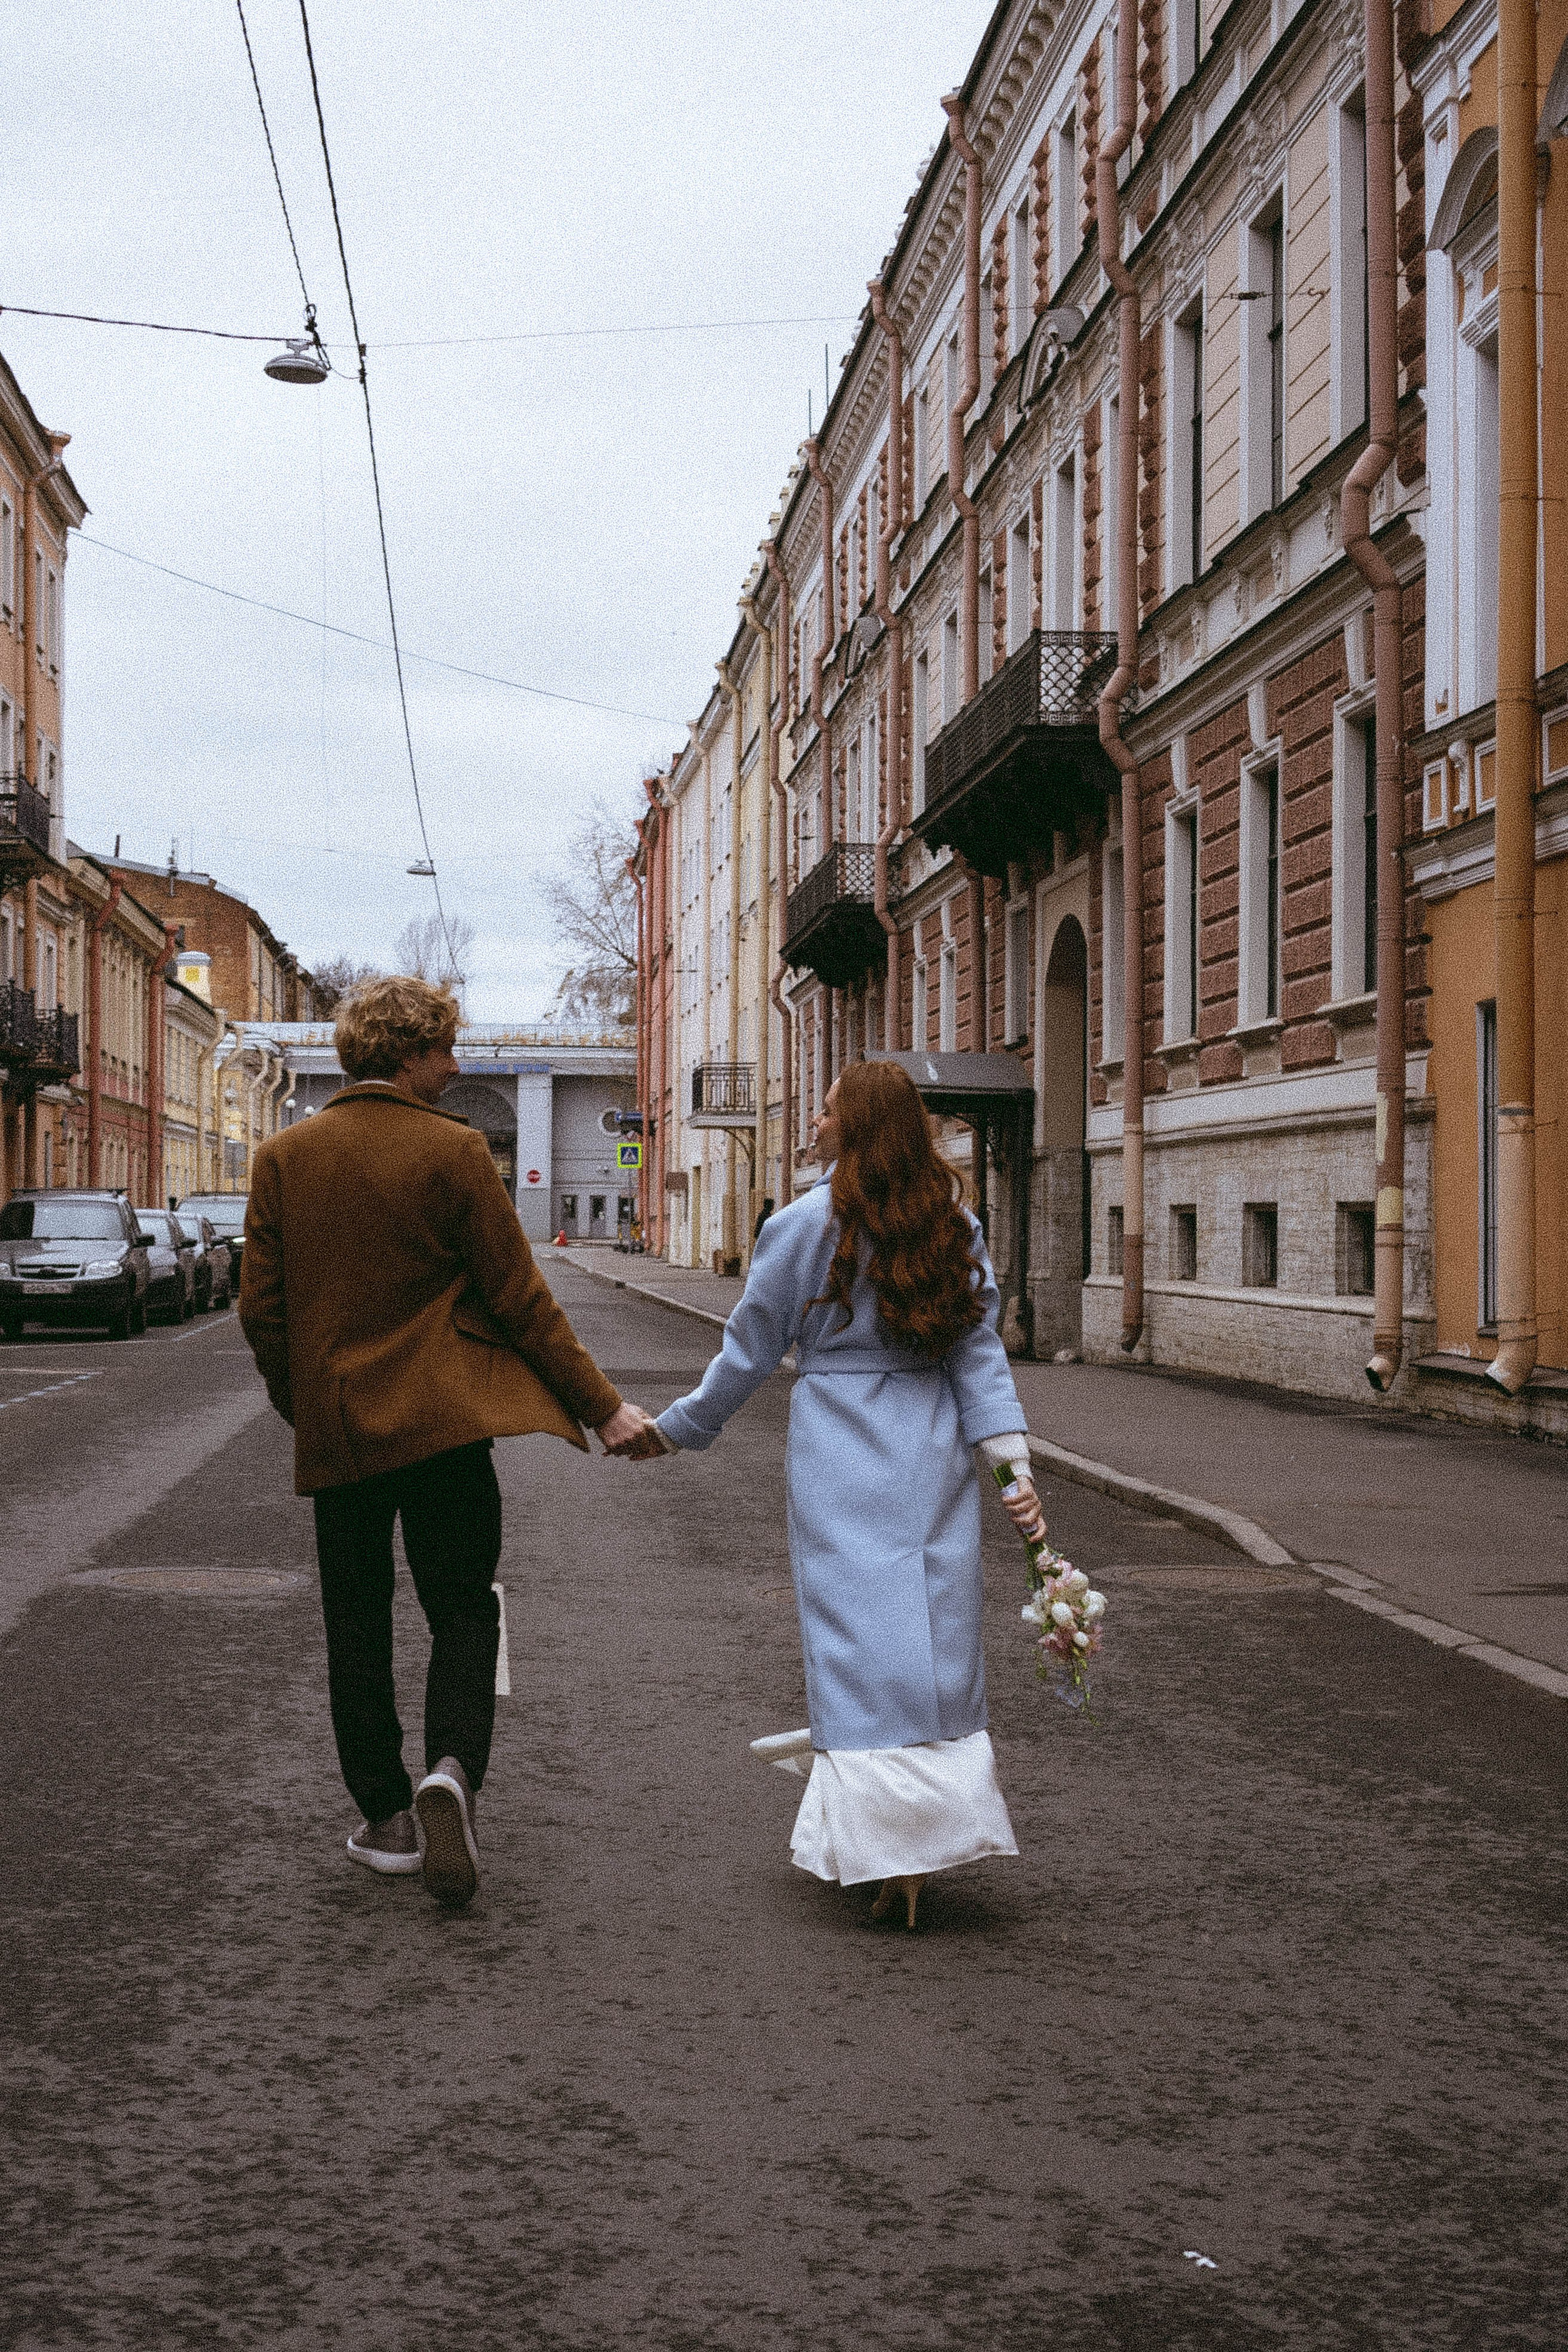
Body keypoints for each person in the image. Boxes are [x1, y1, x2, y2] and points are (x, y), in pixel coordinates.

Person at [239, 975, 657, 1909]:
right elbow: (522, 1299)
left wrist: (304, 1404)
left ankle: (385, 1816)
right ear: (413, 1054)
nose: (457, 1064)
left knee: (356, 1622)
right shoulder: (457, 1150)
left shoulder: (284, 1156)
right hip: (446, 1427)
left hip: (341, 1430)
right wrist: (603, 1408)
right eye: (445, 1050)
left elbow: (260, 1312)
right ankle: (453, 1772)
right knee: (464, 1607)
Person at [641, 1059, 1046, 1930]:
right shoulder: (953, 1222)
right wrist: (1012, 1467)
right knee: (937, 1634)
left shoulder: (800, 1226)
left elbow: (749, 1350)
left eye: (827, 1113)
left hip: (839, 1444)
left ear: (857, 1130)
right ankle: (929, 1839)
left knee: (854, 1638)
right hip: (931, 1441)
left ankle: (881, 1852)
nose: (814, 1125)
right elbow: (979, 1351)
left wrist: (677, 1428)